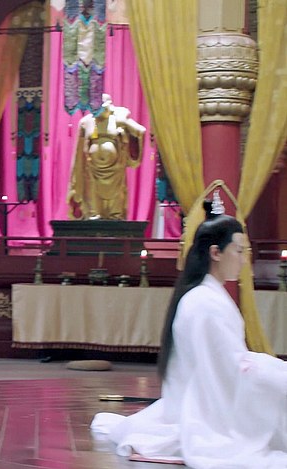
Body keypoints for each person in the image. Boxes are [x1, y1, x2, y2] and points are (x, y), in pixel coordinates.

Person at [91, 198, 287, 467]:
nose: (243, 260)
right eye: (239, 251)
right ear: (216, 253)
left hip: (211, 388)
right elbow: (225, 371)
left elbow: (227, 363)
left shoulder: (207, 295)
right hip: (208, 401)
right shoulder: (204, 302)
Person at [67, 93, 146, 220]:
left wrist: (126, 130)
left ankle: (116, 214)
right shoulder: (87, 122)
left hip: (115, 166)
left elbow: (140, 131)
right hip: (93, 166)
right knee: (93, 189)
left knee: (116, 192)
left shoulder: (119, 119)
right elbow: (82, 146)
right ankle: (96, 213)